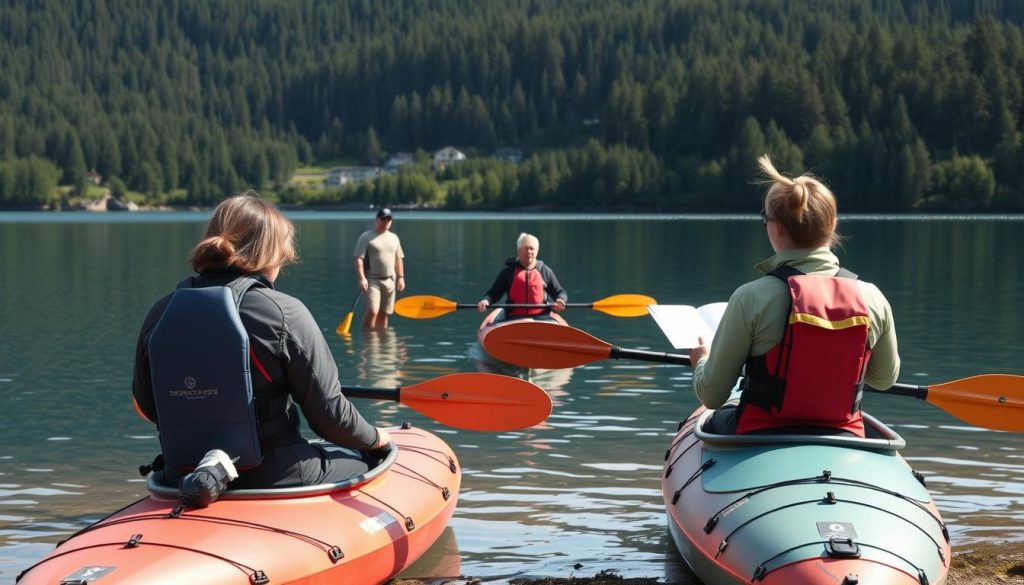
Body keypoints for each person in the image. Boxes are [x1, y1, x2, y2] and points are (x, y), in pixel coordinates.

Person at [132, 192, 391, 489]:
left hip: (183, 473)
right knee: (374, 463)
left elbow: (147, 405)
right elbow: (332, 420)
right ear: (271, 252)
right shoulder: (283, 312)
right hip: (274, 474)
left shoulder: (160, 312)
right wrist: (377, 438)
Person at [688, 155, 900, 438]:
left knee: (710, 419)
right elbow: (884, 380)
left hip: (759, 434)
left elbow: (711, 396)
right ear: (833, 224)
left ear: (775, 227)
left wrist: (702, 360)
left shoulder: (750, 298)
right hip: (844, 435)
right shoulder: (873, 298)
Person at [477, 232, 567, 321]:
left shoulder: (544, 271)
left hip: (541, 317)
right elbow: (493, 293)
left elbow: (560, 292)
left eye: (532, 249)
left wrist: (560, 300)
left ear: (537, 251)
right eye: (526, 248)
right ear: (519, 251)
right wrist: (486, 301)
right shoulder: (508, 272)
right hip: (513, 317)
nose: (529, 252)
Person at [353, 207, 405, 329]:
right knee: (373, 311)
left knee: (384, 314)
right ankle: (368, 338)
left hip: (390, 280)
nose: (386, 221)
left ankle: (382, 340)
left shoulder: (394, 238)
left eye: (389, 219)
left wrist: (401, 277)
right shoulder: (366, 237)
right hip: (372, 280)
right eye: (383, 219)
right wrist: (362, 279)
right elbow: (358, 258)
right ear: (377, 220)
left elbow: (399, 259)